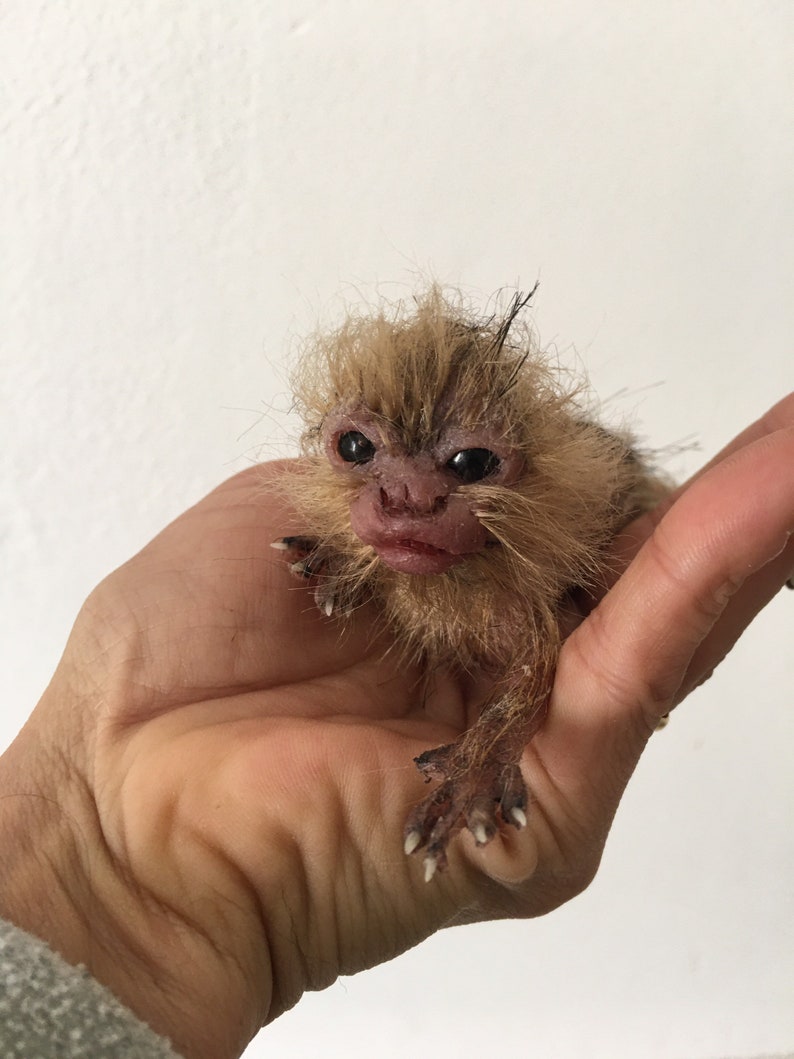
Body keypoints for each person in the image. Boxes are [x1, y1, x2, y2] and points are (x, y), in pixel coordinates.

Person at [1, 394, 792, 1058]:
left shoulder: (535, 571)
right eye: (359, 448)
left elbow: (530, 674)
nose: (406, 497)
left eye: (469, 465)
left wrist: (486, 754)